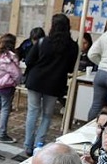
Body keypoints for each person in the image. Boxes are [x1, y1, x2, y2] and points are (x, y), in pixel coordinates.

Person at [23, 13, 77, 155]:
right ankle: (39, 144)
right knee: (47, 115)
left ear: (53, 26)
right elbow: (70, 68)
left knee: (33, 112)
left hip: (35, 81)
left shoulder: (42, 42)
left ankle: (28, 145)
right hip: (54, 84)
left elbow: (28, 60)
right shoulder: (72, 46)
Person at [0, 33, 21, 143]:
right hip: (7, 86)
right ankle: (2, 135)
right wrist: (17, 82)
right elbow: (16, 73)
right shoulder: (10, 57)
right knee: (5, 109)